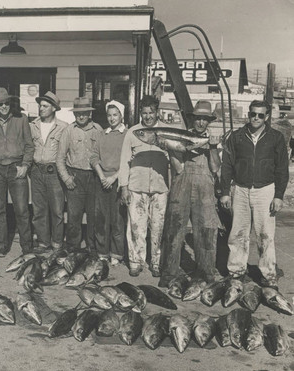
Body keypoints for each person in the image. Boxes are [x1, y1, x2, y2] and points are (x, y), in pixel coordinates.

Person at [220, 100, 289, 289]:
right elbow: (226, 165)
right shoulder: (236, 137)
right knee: (238, 233)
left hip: (265, 190)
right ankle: (236, 272)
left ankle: (268, 275)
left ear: (266, 117)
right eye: (253, 114)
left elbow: (282, 168)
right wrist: (225, 192)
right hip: (240, 189)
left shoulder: (276, 138)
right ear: (248, 114)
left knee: (265, 234)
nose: (256, 118)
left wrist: (279, 196)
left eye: (261, 115)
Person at [158, 100, 222, 287]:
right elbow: (178, 169)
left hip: (205, 189)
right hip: (181, 185)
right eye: (198, 119)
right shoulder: (181, 136)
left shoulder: (213, 140)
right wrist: (170, 148)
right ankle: (169, 274)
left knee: (206, 232)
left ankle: (205, 275)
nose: (201, 123)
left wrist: (212, 147)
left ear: (208, 121)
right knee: (173, 231)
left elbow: (215, 167)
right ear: (192, 119)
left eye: (204, 119)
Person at [118, 95, 170, 277]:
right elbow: (124, 161)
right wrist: (124, 186)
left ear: (157, 112)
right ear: (140, 113)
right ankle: (136, 261)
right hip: (136, 187)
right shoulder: (133, 132)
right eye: (144, 113)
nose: (148, 116)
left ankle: (156, 262)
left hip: (160, 188)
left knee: (158, 227)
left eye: (151, 112)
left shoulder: (166, 131)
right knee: (135, 226)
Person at [0, 87, 34, 256]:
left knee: (22, 209)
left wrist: (25, 165)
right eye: (0, 104)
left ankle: (27, 247)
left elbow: (29, 145)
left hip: (16, 167)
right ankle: (2, 245)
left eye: (6, 103)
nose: (4, 106)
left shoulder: (21, 119)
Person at [57, 97, 102, 251]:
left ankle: (91, 247)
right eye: (78, 114)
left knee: (93, 214)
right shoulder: (69, 130)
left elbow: (104, 155)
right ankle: (72, 248)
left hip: (93, 176)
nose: (81, 116)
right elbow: (60, 158)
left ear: (90, 113)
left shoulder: (98, 130)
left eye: (84, 113)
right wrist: (66, 178)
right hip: (75, 176)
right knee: (74, 215)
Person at [29, 91, 68, 253]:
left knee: (57, 210)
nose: (41, 109)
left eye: (45, 106)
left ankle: (57, 243)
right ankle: (43, 242)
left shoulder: (63, 127)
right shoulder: (32, 126)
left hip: (54, 172)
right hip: (37, 171)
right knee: (39, 210)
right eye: (40, 106)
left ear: (54, 108)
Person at [90, 100, 127, 266]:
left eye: (115, 115)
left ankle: (117, 254)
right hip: (102, 181)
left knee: (117, 220)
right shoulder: (102, 134)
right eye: (109, 115)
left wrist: (114, 178)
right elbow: (94, 157)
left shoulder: (127, 135)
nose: (112, 118)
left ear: (121, 115)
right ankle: (102, 252)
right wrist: (102, 177)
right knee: (101, 219)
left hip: (119, 182)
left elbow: (128, 160)